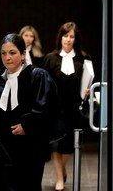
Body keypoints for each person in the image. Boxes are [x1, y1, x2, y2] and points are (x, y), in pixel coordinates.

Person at [0, 33, 59, 191]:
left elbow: (46, 107)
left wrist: (28, 125)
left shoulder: (38, 77)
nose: (7, 57)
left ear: (23, 54)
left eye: (12, 52)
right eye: (3, 53)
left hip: (29, 145)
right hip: (2, 146)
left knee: (28, 184)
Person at [43, 22, 91, 191]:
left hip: (74, 108)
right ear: (60, 37)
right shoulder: (50, 58)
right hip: (56, 109)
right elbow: (45, 83)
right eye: (65, 36)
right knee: (56, 145)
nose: (68, 39)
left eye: (72, 36)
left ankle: (62, 169)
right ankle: (59, 180)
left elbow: (89, 81)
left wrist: (87, 90)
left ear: (75, 39)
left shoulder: (83, 58)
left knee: (69, 148)